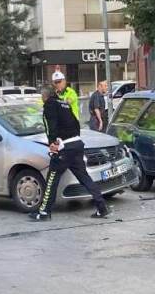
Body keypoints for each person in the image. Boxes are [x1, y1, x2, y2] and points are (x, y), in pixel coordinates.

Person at [29, 86, 109, 221]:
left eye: (41, 96)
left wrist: (52, 143)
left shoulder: (50, 105)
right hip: (77, 144)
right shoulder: (64, 104)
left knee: (52, 179)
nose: (41, 99)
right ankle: (102, 207)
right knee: (84, 177)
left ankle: (44, 212)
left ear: (45, 96)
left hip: (64, 147)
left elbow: (50, 126)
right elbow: (76, 123)